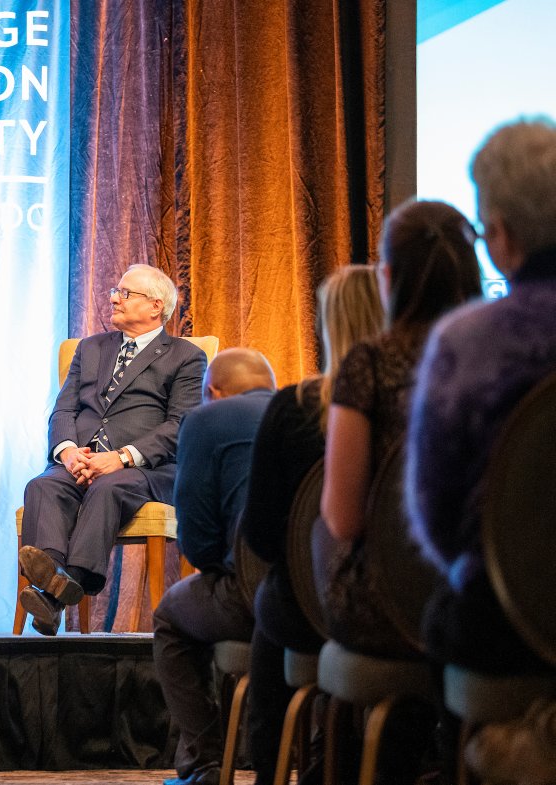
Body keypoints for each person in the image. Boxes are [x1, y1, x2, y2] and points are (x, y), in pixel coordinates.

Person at [406, 117, 556, 782]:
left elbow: (435, 517)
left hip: (500, 620)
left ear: (500, 235)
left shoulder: (468, 341)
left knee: (443, 613)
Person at [238, 265, 384, 785]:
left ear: (328, 326)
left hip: (307, 609)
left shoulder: (293, 408)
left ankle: (273, 768)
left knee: (268, 616)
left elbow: (259, 535)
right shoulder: (417, 404)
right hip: (403, 611)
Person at [320, 199, 481, 658]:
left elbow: (344, 519)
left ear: (387, 280)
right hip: (498, 592)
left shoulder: (370, 362)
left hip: (393, 604)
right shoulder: (502, 354)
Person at [17, 264, 207, 635]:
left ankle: (56, 592)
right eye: (114, 291)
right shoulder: (90, 348)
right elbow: (65, 409)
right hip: (81, 461)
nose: (114, 298)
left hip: (146, 469)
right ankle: (54, 578)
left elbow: (181, 423)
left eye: (125, 293)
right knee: (42, 485)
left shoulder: (185, 356)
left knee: (108, 487)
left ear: (156, 306)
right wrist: (69, 451)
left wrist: (120, 458)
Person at [151, 348, 278, 785]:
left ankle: (205, 766)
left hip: (251, 596)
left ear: (212, 392)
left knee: (170, 616)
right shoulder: (305, 413)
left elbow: (199, 545)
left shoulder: (206, 421)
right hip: (320, 602)